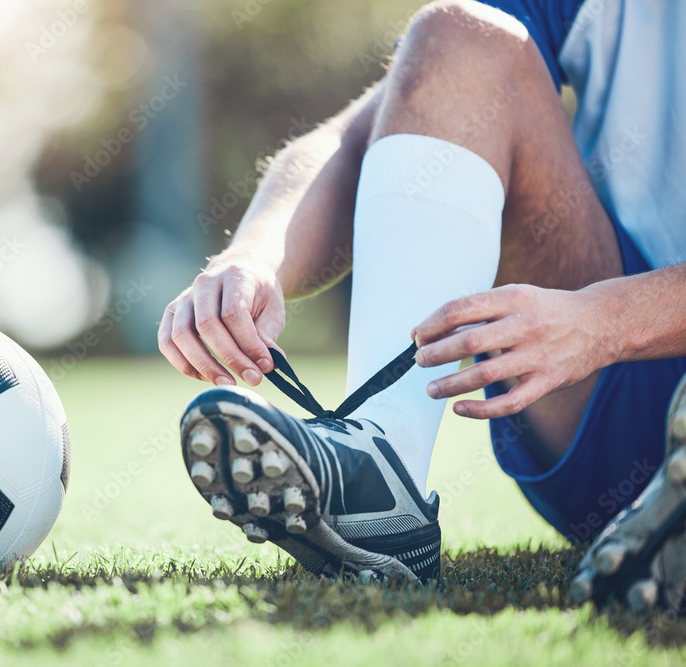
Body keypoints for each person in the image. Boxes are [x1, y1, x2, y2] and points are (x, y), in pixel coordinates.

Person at [157, 0, 686, 611]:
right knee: (459, 36)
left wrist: (607, 322)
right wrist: (253, 256)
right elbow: (351, 139)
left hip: (606, 329)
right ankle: (386, 475)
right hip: (613, 400)